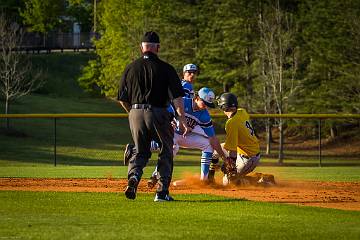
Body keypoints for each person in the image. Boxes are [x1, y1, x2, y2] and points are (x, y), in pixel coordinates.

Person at [118, 31, 189, 202]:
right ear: (157, 47)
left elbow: (122, 98)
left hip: (134, 112)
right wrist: (181, 118)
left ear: (141, 47)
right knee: (166, 150)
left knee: (141, 151)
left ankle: (134, 177)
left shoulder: (130, 67)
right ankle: (161, 193)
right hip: (158, 112)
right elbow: (177, 97)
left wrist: (133, 113)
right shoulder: (166, 68)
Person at [145, 87, 228, 187]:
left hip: (185, 136)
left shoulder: (204, 115)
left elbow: (213, 138)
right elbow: (164, 110)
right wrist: (169, 120)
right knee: (173, 147)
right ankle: (155, 175)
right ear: (197, 98)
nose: (206, 106)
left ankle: (204, 180)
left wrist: (224, 158)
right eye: (204, 103)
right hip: (171, 133)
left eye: (208, 105)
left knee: (208, 145)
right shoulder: (182, 102)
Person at [214, 92, 261, 186]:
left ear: (224, 107)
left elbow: (232, 150)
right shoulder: (242, 111)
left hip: (248, 158)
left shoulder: (231, 123)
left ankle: (259, 181)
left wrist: (230, 166)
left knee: (227, 183)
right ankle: (210, 178)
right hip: (245, 150)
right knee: (215, 149)